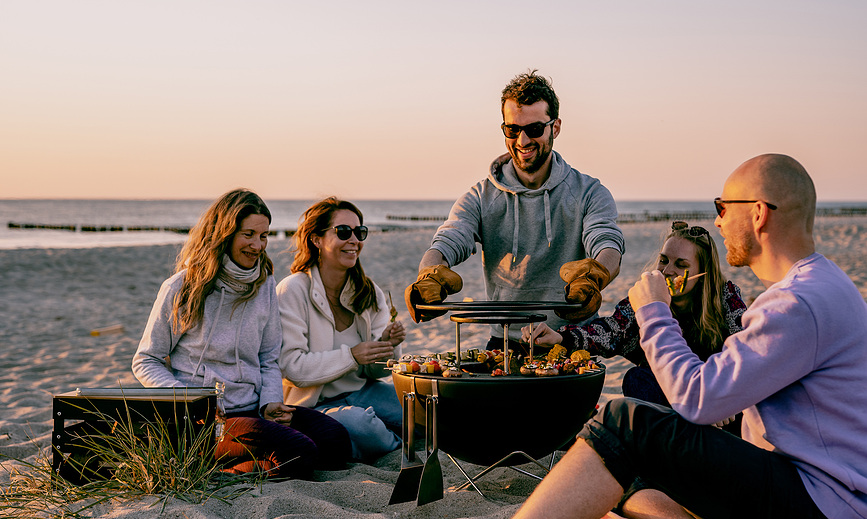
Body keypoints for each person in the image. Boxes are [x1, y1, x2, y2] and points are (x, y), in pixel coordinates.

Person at [384, 154, 867, 519]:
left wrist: (652, 310)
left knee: (622, 420)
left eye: (723, 207)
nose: (718, 221)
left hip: (828, 514)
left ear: (758, 214)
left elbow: (698, 399)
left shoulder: (796, 303)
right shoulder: (821, 287)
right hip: (817, 495)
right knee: (610, 465)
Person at [132, 189, 351, 480]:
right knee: (299, 453)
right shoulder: (182, 287)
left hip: (254, 410)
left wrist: (270, 403)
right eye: (248, 234)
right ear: (224, 233)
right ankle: (212, 467)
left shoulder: (264, 284)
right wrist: (191, 401)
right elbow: (146, 360)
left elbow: (269, 357)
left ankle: (251, 459)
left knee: (336, 442)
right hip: (207, 421)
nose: (258, 245)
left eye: (264, 236)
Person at [404, 70, 625, 352]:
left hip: (571, 338)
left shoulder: (589, 192)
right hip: (505, 340)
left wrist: (596, 276)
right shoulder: (480, 196)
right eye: (513, 130)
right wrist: (429, 274)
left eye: (534, 129)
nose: (522, 141)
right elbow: (449, 239)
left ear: (555, 128)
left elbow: (608, 244)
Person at [523, 220, 747, 409]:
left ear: (702, 272)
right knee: (637, 379)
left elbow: (746, 353)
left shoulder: (725, 297)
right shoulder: (644, 297)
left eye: (681, 264)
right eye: (663, 260)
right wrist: (560, 337)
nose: (667, 270)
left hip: (718, 399)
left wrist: (722, 399)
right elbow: (610, 331)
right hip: (671, 403)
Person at [277, 197, 406, 462]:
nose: (355, 240)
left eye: (360, 232)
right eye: (343, 232)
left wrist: (386, 346)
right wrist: (353, 355)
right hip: (313, 403)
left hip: (363, 391)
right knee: (363, 426)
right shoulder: (292, 290)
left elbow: (376, 372)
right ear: (316, 239)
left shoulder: (367, 290)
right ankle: (396, 442)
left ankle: (388, 436)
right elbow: (292, 367)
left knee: (423, 407)